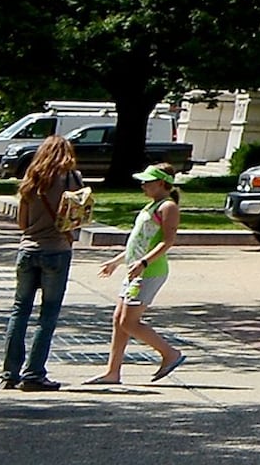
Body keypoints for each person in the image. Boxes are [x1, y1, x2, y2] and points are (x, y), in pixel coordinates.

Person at [87, 160, 189, 384]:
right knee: (119, 320)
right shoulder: (151, 206)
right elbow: (138, 242)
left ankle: (170, 353)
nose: (143, 186)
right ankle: (112, 372)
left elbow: (167, 241)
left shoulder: (168, 207)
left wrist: (144, 263)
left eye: (147, 182)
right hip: (136, 271)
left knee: (129, 322)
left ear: (162, 183)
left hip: (150, 272)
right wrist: (116, 262)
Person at [0, 133, 87, 390]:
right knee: (47, 314)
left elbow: (22, 224)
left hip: (28, 250)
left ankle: (9, 373)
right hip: (57, 251)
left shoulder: (31, 180)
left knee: (19, 311)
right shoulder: (73, 179)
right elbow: (77, 218)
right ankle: (34, 373)